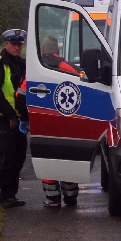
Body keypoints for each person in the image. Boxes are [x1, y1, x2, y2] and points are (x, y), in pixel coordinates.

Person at [0, 29, 29, 208]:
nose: (17, 47)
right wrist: (10, 115)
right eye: (13, 44)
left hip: (18, 119)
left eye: (19, 44)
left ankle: (9, 195)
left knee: (17, 158)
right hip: (4, 118)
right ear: (6, 44)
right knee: (4, 158)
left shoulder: (20, 64)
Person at [36, 36, 80, 208]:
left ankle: (52, 198)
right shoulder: (66, 67)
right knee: (68, 160)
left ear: (42, 50)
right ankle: (70, 197)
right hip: (67, 123)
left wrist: (25, 118)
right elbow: (83, 87)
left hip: (44, 122)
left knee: (48, 161)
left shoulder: (36, 69)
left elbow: (22, 95)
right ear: (58, 50)